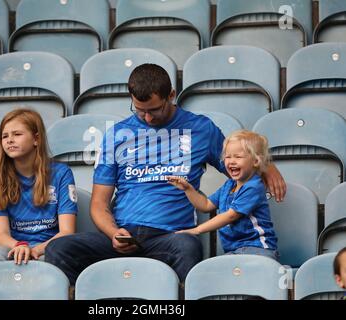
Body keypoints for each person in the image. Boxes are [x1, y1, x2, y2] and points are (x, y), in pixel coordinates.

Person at [45, 64, 286, 284]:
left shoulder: (201, 128)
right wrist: (114, 233)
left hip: (170, 237)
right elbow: (99, 204)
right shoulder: (116, 134)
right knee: (59, 249)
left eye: (154, 110)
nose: (148, 118)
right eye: (140, 111)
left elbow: (241, 160)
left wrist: (267, 166)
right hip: (121, 234)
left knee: (187, 246)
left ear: (171, 96)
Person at [167, 130, 278, 260]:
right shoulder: (229, 185)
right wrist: (188, 189)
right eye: (227, 156)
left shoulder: (254, 186)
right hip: (235, 250)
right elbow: (206, 205)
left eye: (238, 157)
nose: (231, 161)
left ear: (256, 161)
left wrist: (197, 230)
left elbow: (231, 215)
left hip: (257, 249)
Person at [0, 108, 78, 265]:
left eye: (17, 134)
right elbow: (1, 234)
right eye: (5, 136)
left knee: (53, 258)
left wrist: (34, 250)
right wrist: (20, 246)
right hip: (13, 247)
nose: (9, 140)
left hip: (49, 247)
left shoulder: (61, 173)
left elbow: (67, 231)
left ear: (36, 139)